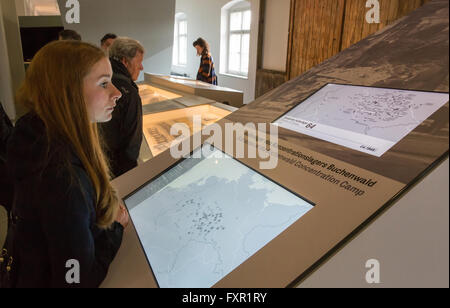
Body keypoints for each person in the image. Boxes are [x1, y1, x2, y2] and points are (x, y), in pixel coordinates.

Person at [2, 40, 129, 288]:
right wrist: (114, 231)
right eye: (104, 83)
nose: (117, 92)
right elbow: (76, 279)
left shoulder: (33, 135)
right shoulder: (64, 181)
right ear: (67, 92)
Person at [99, 37, 145, 178]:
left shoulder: (101, 80)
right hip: (118, 172)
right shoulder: (128, 92)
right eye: (139, 62)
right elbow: (131, 145)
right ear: (125, 61)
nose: (141, 67)